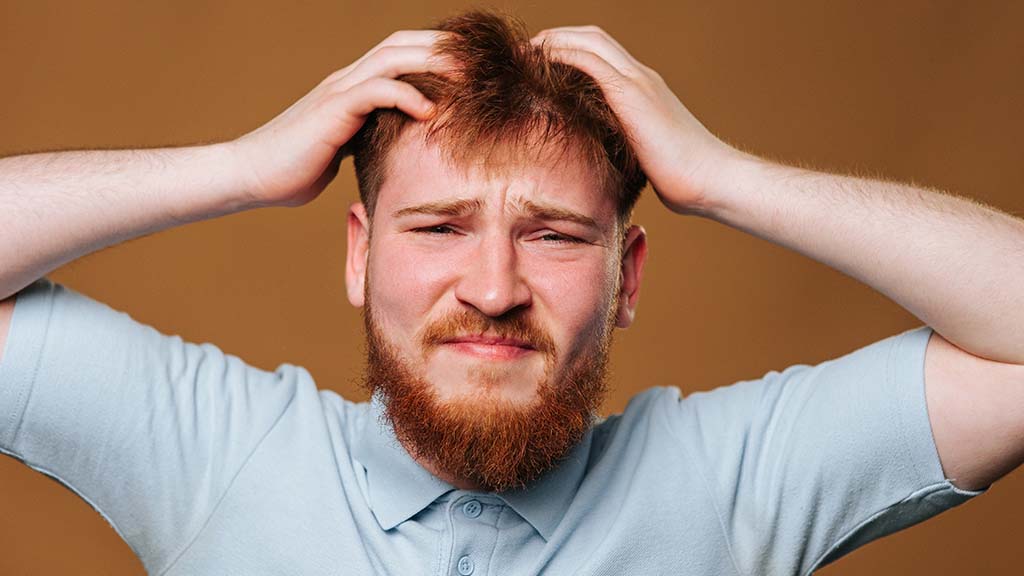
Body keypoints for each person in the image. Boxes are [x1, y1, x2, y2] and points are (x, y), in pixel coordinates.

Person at [0, 9, 1020, 575]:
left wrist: (723, 179)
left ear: (626, 277)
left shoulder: (735, 480)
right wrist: (239, 166)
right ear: (358, 255)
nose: (492, 288)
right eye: (440, 227)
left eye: (554, 236)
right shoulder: (211, 448)